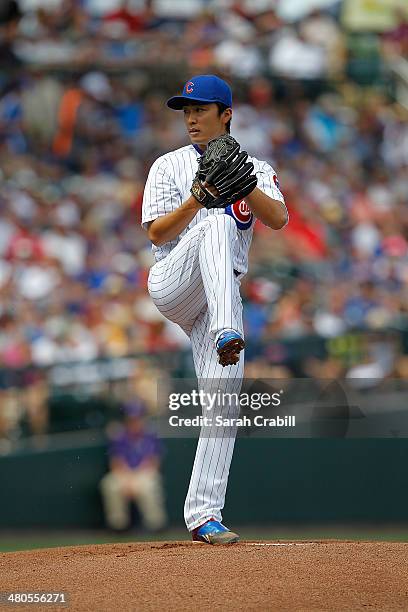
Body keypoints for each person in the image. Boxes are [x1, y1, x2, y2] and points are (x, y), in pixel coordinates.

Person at [142, 75, 288, 544]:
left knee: (224, 401)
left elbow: (279, 219)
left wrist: (244, 187)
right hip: (175, 281)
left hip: (220, 293)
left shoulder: (255, 168)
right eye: (185, 109)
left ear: (226, 114)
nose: (190, 118)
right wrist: (197, 201)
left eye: (201, 109)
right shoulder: (168, 165)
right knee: (214, 226)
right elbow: (156, 235)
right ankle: (230, 328)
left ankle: (205, 515)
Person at [99, 401, 167, 533]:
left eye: (137, 418)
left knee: (148, 486)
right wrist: (128, 480)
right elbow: (116, 462)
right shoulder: (119, 435)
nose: (134, 422)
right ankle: (118, 526)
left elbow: (154, 462)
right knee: (110, 484)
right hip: (124, 473)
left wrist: (135, 480)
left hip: (145, 472)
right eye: (131, 419)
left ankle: (156, 526)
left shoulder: (151, 434)